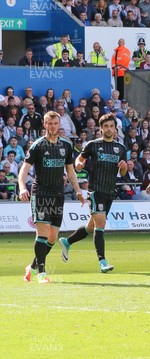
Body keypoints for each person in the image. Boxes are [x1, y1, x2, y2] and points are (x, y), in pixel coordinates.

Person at [20, 111, 85, 283]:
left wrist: (78, 190)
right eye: (50, 123)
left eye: (56, 123)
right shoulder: (37, 146)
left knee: (52, 237)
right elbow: (24, 170)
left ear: (59, 125)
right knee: (42, 235)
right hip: (41, 193)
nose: (53, 126)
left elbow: (70, 171)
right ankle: (41, 273)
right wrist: (21, 187)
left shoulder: (66, 145)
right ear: (45, 124)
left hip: (58, 194)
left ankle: (32, 266)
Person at [58, 114, 128, 273]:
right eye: (106, 126)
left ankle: (67, 242)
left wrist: (124, 166)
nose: (109, 129)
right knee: (101, 224)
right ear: (101, 128)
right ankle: (102, 261)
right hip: (96, 190)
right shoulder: (93, 145)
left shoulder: (121, 148)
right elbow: (78, 162)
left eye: (112, 126)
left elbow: (122, 172)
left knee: (91, 227)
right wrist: (79, 164)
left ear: (115, 129)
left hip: (110, 191)